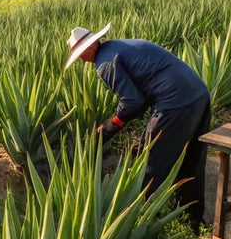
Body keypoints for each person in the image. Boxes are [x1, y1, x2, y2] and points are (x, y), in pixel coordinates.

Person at [65, 23, 211, 227]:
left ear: (90, 46)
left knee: (148, 162)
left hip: (174, 102)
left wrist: (109, 127)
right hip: (199, 93)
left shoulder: (104, 63)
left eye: (80, 54)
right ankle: (193, 220)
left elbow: (133, 102)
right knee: (192, 158)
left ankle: (139, 223)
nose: (81, 59)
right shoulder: (118, 46)